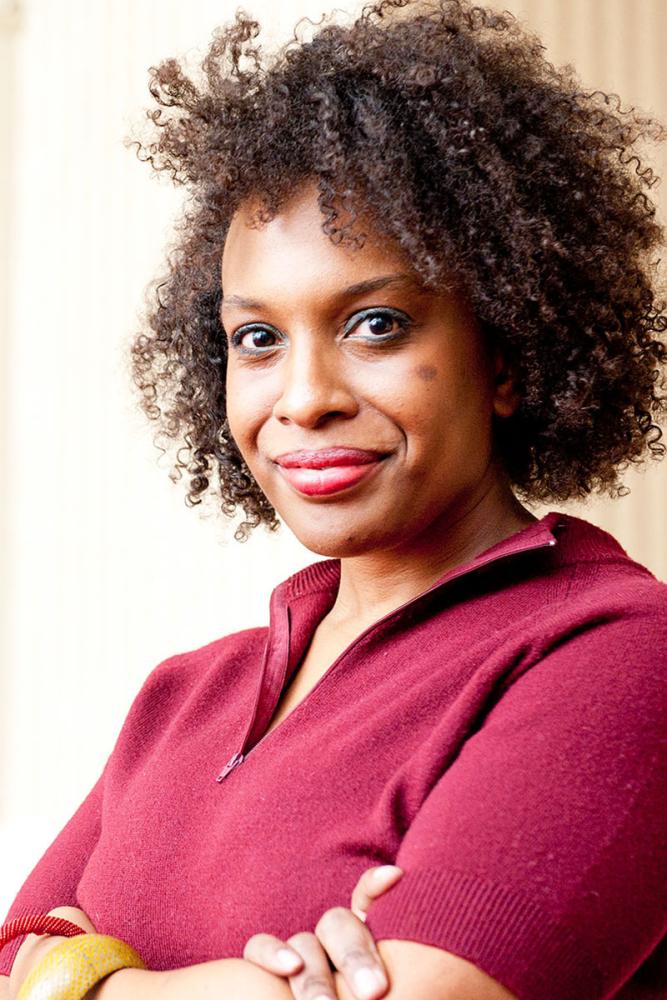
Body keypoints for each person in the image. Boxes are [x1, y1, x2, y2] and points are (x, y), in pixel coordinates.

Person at [2, 0, 667, 997]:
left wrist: (73, 970)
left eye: (376, 323)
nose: (304, 396)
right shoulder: (186, 696)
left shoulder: (618, 656)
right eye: (257, 338)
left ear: (505, 351)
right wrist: (195, 987)